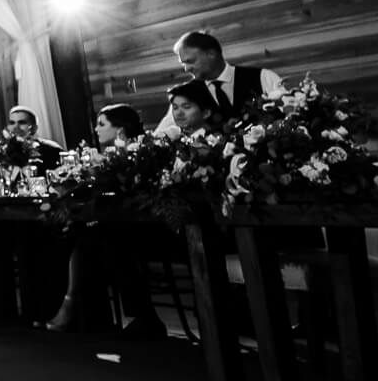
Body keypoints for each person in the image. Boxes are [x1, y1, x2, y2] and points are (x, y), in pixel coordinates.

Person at [44, 104, 168, 337]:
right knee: (78, 234)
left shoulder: (142, 153)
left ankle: (76, 306)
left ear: (120, 129)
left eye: (102, 124)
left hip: (150, 226)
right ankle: (92, 314)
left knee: (98, 238)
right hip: (117, 224)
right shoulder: (106, 158)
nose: (96, 129)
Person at [156, 29, 283, 133]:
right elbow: (162, 134)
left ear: (211, 54)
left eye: (190, 61)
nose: (186, 69)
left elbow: (288, 117)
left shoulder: (263, 77)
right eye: (184, 63)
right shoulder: (185, 93)